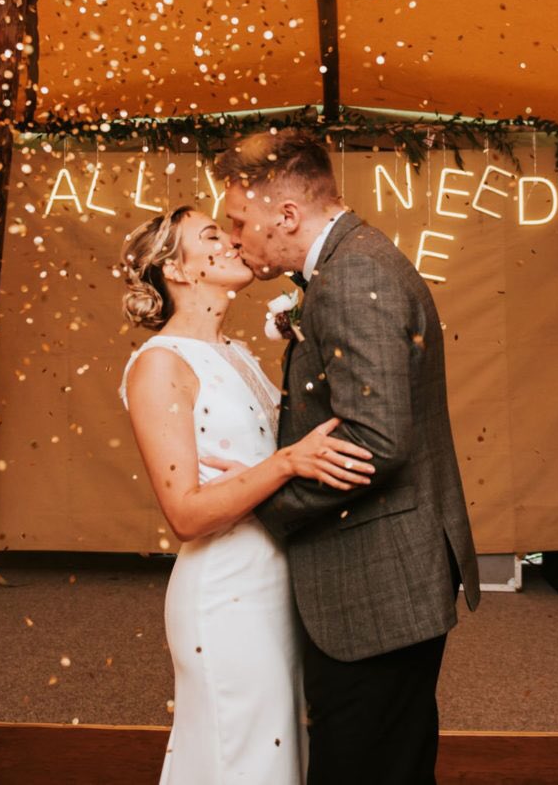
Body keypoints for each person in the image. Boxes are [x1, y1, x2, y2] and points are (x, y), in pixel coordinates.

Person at [214, 128, 481, 785]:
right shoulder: (349, 263)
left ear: (286, 216)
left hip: (377, 582)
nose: (235, 237)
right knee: (393, 757)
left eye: (240, 221)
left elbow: (379, 440)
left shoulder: (352, 275)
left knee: (363, 763)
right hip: (393, 567)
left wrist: (266, 501)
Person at [119, 205, 374, 785]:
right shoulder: (159, 365)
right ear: (176, 271)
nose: (234, 241)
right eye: (211, 236)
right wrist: (284, 462)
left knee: (276, 755)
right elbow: (185, 513)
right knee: (239, 756)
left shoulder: (238, 354)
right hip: (225, 593)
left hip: (276, 583)